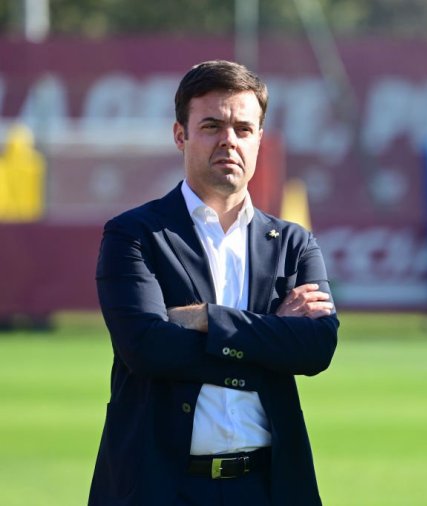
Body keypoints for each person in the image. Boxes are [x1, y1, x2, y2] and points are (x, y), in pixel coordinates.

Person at [89, 60, 338, 506]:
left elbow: (317, 348)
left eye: (244, 128)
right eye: (211, 125)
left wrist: (207, 320)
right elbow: (144, 348)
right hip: (159, 486)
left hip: (267, 487)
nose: (229, 140)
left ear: (260, 138)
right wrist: (269, 337)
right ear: (180, 135)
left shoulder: (294, 243)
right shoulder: (134, 235)